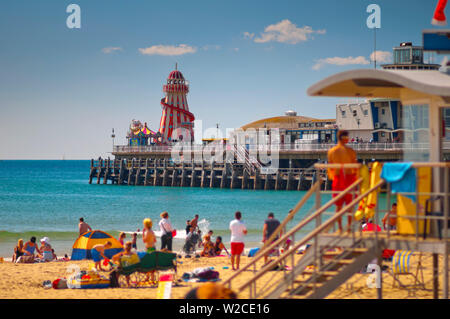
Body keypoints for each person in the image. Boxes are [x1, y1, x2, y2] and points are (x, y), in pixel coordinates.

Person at [327, 130, 358, 233]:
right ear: (344, 138)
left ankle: (340, 227)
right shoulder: (350, 151)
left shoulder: (332, 151)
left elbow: (330, 168)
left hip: (338, 178)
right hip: (349, 178)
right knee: (350, 207)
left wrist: (333, 177)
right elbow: (355, 167)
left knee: (338, 206)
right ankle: (348, 227)